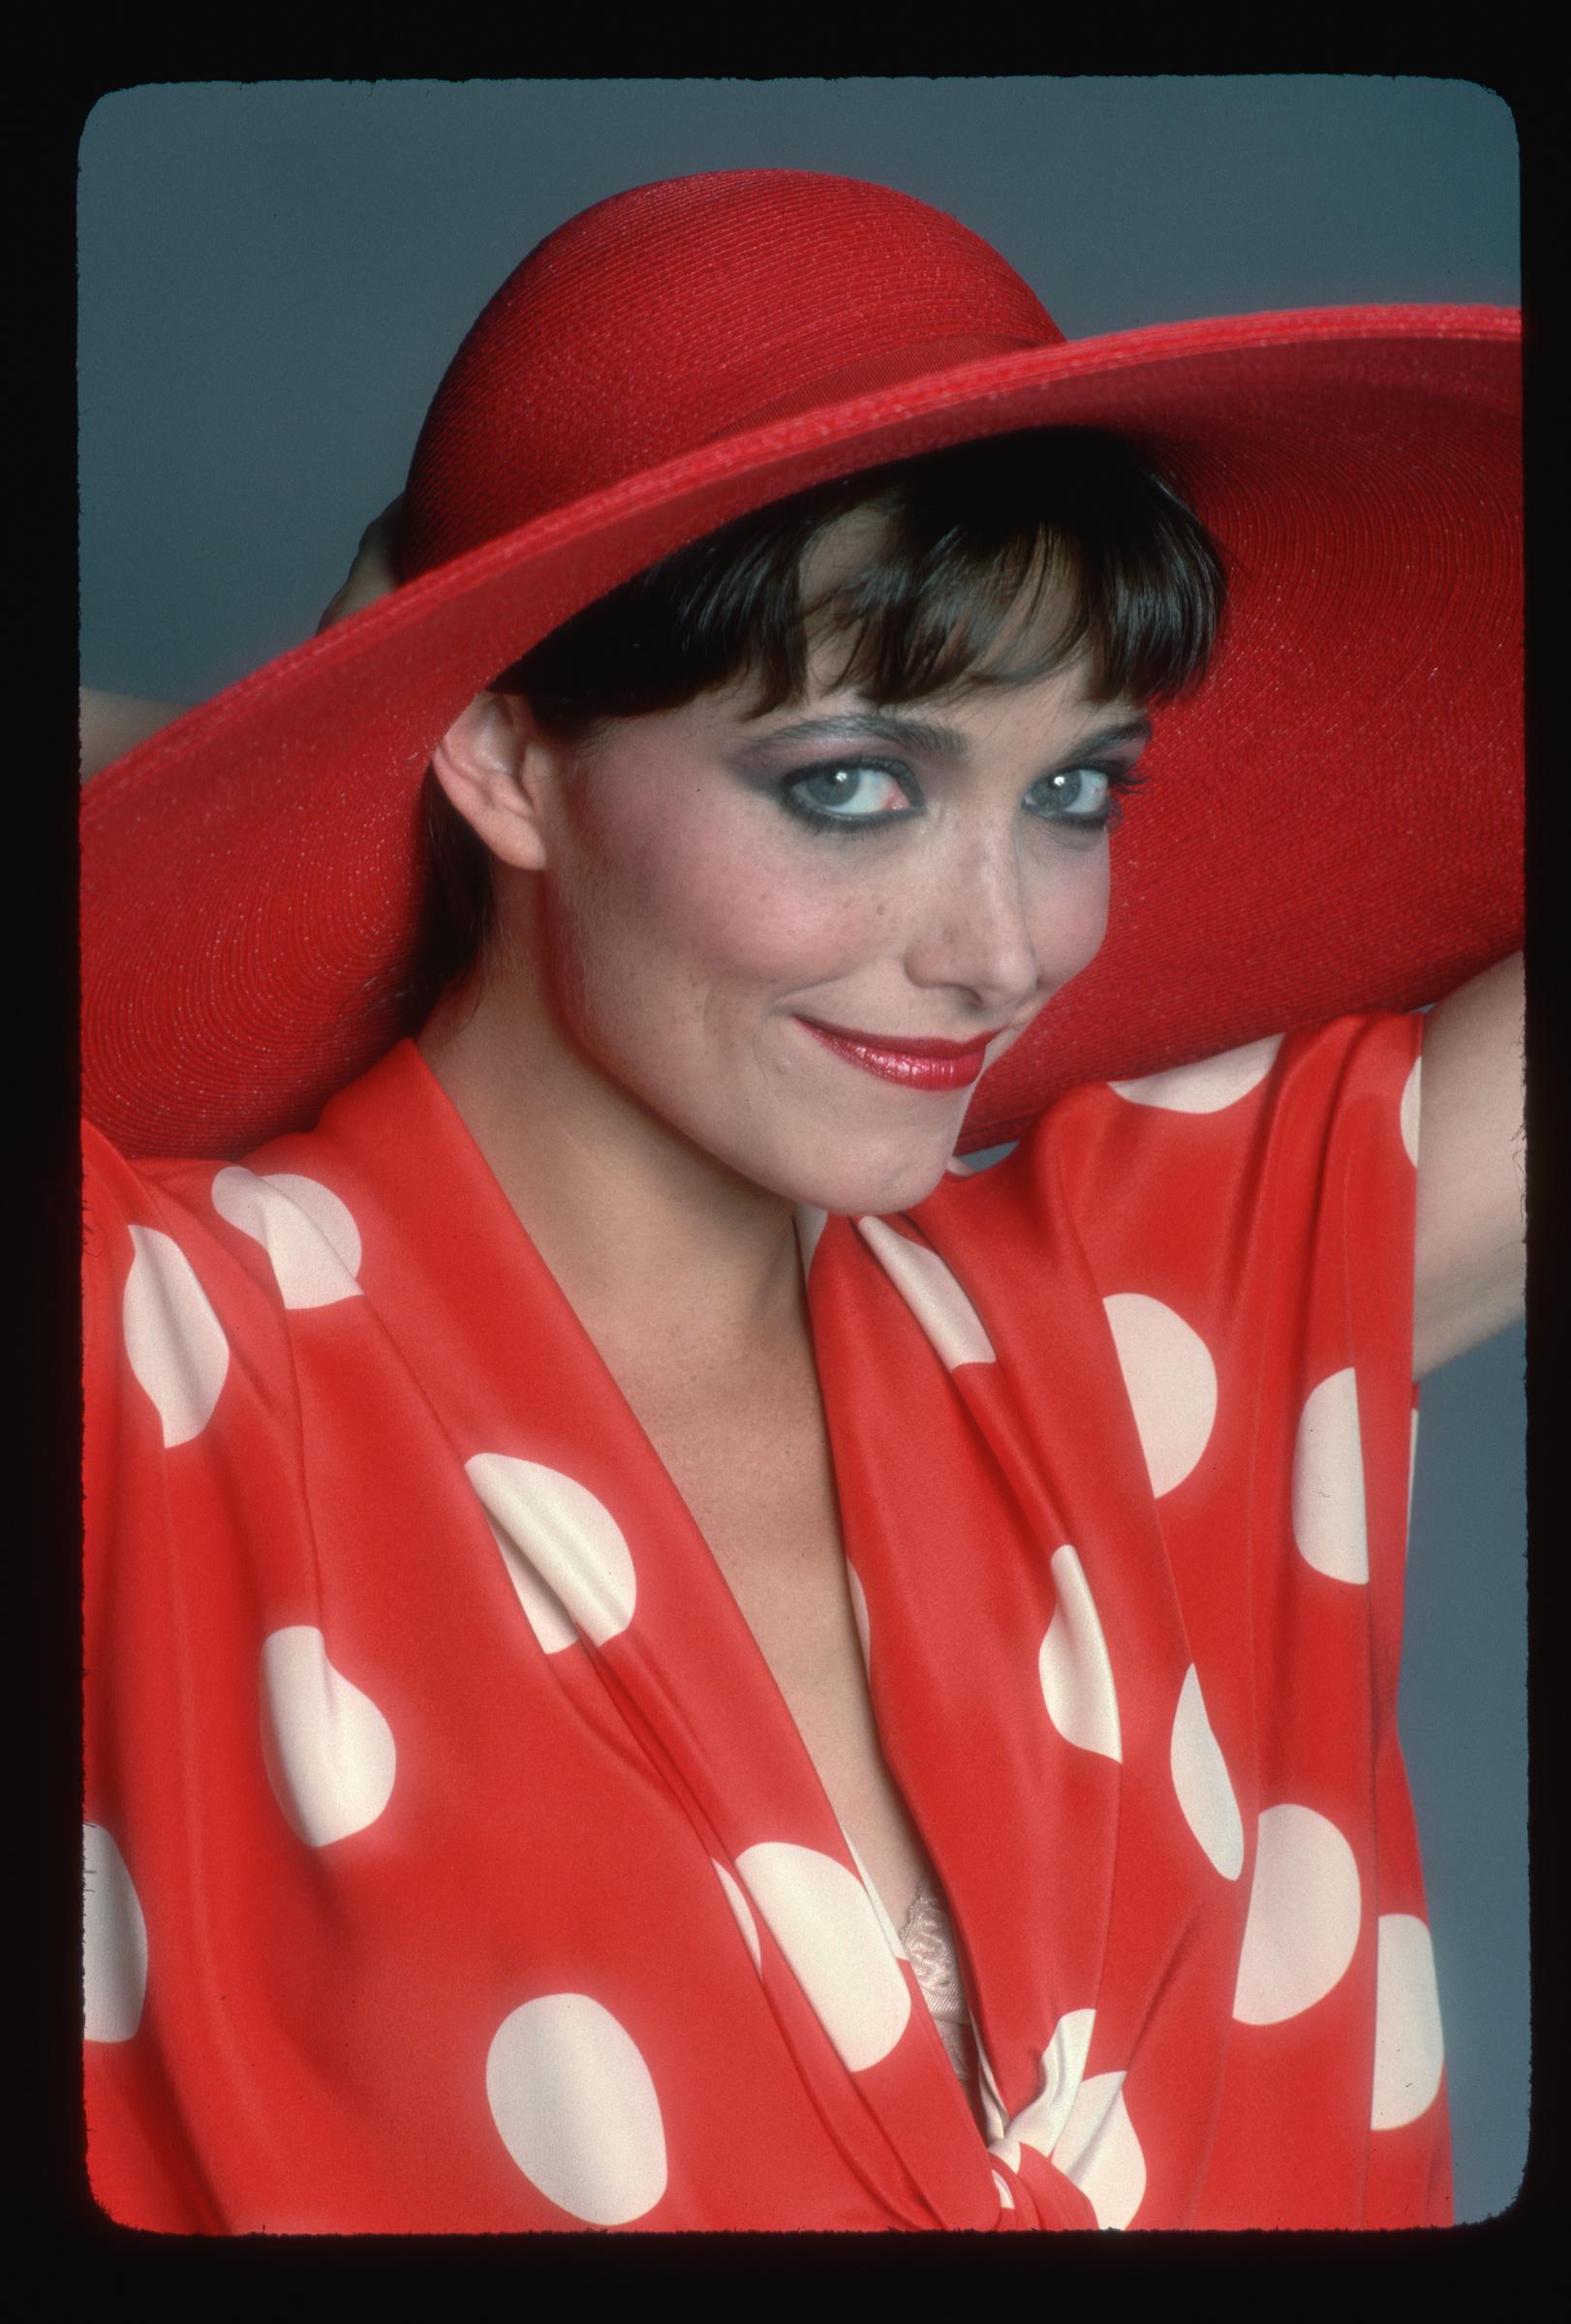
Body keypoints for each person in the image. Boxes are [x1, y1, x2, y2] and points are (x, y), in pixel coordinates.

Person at [79, 168, 1524, 2234]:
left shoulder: (1137, 1333)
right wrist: (314, 752)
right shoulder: (151, 1368)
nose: (1002, 947)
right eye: (853, 783)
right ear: (502, 758)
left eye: (1072, 789)